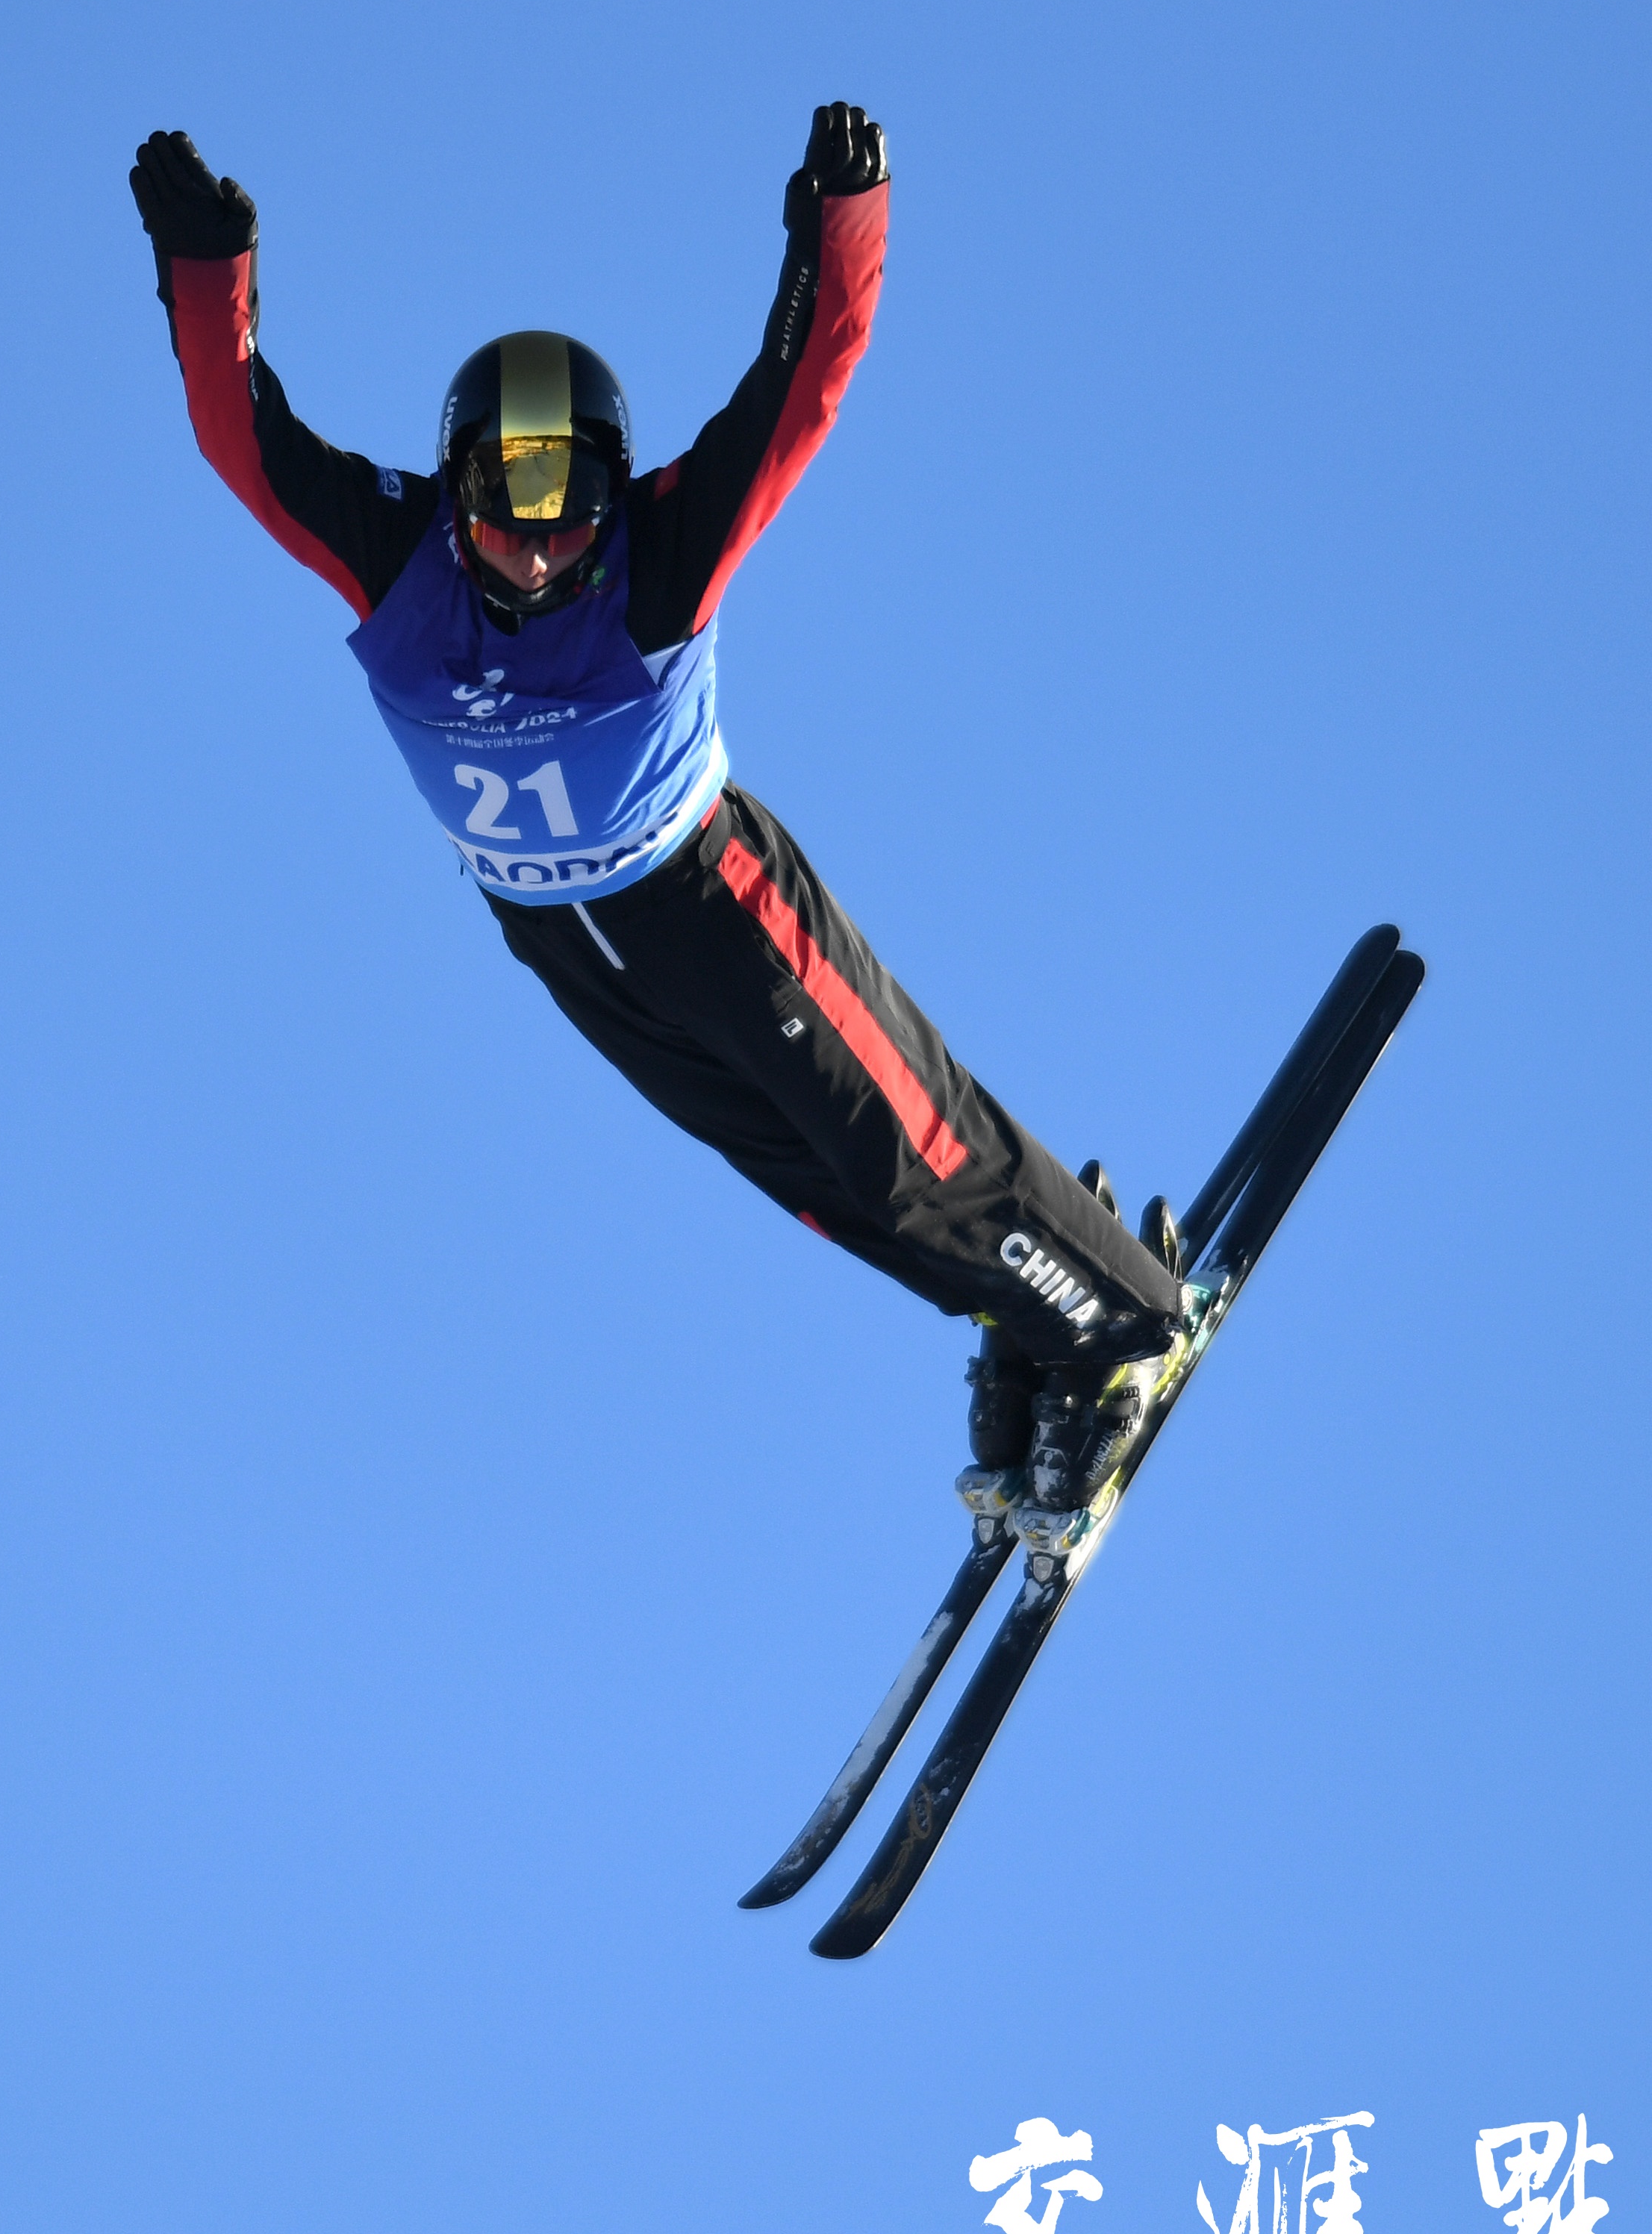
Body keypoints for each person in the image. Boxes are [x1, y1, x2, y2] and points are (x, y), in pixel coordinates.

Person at [128, 108, 1187, 1536]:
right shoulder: (393, 555)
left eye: (571, 507)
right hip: (565, 952)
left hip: (712, 903)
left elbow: (799, 388)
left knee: (901, 1142)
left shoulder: (661, 554)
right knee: (806, 1177)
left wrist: (840, 220)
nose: (544, 542)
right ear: (461, 497)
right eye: (512, 509)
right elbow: (240, 438)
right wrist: (209, 263)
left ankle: (1118, 1323)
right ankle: (1021, 1302)